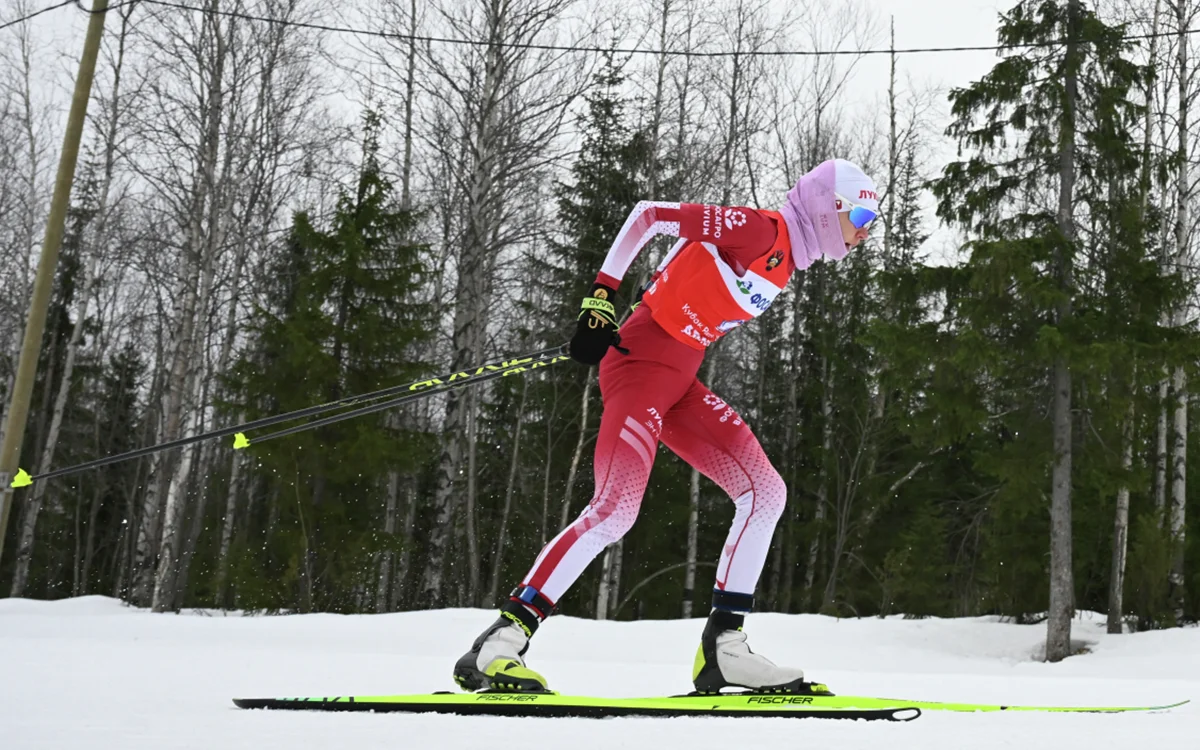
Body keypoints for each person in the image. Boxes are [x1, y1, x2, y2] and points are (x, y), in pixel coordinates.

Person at [454, 158, 879, 694]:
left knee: (766, 492)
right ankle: (501, 641)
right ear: (826, 206)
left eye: (873, 219)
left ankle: (725, 649)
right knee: (615, 509)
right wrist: (602, 296)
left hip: (678, 382)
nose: (865, 229)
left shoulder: (785, 259)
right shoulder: (759, 230)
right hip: (638, 367)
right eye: (861, 213)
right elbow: (650, 214)